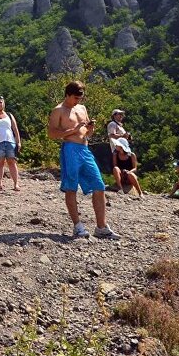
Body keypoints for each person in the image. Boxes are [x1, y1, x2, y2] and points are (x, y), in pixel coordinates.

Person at [46, 80, 120, 239]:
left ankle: (101, 227)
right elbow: (51, 134)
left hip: (84, 149)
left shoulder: (82, 108)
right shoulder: (58, 110)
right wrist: (71, 130)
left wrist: (90, 128)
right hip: (70, 149)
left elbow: (86, 133)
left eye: (80, 98)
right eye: (75, 98)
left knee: (99, 185)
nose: (78, 101)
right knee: (71, 187)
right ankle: (77, 226)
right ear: (67, 95)